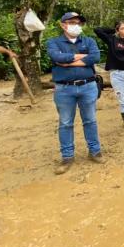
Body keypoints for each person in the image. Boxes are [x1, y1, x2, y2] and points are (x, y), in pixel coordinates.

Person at [47, 12, 104, 175]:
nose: (76, 25)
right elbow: (56, 56)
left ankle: (95, 151)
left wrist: (68, 61)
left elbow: (96, 56)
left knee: (90, 120)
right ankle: (67, 157)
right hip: (64, 89)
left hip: (88, 86)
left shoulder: (89, 41)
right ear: (63, 24)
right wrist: (82, 58)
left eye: (78, 23)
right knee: (65, 123)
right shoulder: (54, 42)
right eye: (72, 22)